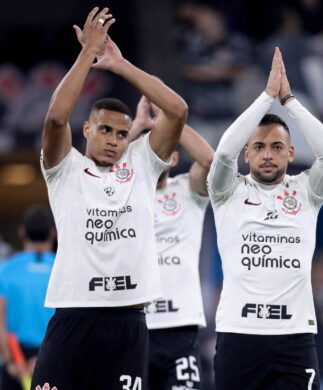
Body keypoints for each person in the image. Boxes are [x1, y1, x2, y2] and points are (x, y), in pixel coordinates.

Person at [31, 7, 188, 390]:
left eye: (121, 134)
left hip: (127, 325)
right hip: (73, 320)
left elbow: (177, 110)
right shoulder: (65, 169)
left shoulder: (142, 165)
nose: (114, 140)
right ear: (87, 129)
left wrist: (119, 65)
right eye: (104, 130)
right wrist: (88, 55)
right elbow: (54, 120)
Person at [207, 47, 323, 390]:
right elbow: (223, 152)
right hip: (239, 334)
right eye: (260, 146)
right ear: (247, 152)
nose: (268, 154)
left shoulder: (306, 191)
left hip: (295, 336)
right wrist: (266, 98)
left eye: (277, 147)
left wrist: (290, 102)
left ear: (291, 153)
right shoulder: (226, 192)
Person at [130, 95, 214, 389]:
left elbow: (209, 160)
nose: (155, 153)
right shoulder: (121, 195)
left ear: (174, 158)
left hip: (180, 328)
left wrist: (172, 122)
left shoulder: (187, 191)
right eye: (149, 147)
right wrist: (138, 126)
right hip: (134, 326)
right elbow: (96, 173)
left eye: (163, 146)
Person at [0, 206, 56, 390]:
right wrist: (46, 359)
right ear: (53, 233)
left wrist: (12, 363)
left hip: (16, 361)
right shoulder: (63, 270)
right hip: (53, 355)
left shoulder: (6, 269)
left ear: (22, 232)